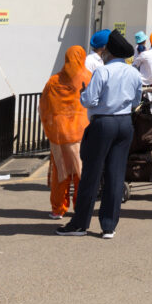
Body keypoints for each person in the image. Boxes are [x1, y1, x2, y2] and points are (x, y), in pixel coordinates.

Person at [59, 31, 142, 237]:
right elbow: (136, 101)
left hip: (103, 122)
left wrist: (86, 96)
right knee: (115, 174)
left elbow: (89, 100)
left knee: (92, 174)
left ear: (108, 52)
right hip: (124, 122)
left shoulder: (103, 72)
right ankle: (108, 226)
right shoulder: (133, 72)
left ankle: (80, 224)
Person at [39, 45, 91, 220]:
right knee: (80, 173)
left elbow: (43, 107)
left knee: (60, 174)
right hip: (81, 134)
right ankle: (80, 206)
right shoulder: (88, 78)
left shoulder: (53, 81)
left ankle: (58, 209)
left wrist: (49, 126)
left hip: (59, 135)